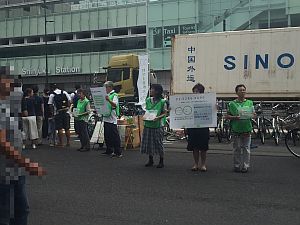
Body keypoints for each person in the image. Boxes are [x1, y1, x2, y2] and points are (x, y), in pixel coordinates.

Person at [0, 70, 46, 225]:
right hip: (4, 172)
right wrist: (27, 164)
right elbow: (3, 143)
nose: (12, 86)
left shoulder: (7, 106)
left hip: (15, 170)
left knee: (20, 211)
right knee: (8, 214)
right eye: (8, 82)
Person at [226, 84, 255, 173]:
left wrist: (253, 115)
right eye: (240, 90)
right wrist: (235, 117)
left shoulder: (250, 102)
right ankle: (237, 165)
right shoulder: (232, 104)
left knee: (246, 148)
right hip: (236, 129)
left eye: (244, 90)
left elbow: (254, 114)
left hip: (247, 128)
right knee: (236, 148)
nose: (242, 91)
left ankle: (245, 166)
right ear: (236, 92)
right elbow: (227, 116)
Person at [141, 84, 167, 168]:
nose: (151, 90)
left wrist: (158, 118)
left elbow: (165, 113)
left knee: (158, 143)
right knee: (149, 143)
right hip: (148, 124)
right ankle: (150, 159)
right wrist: (144, 116)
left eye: (152, 89)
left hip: (157, 125)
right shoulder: (148, 100)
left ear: (157, 91)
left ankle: (161, 161)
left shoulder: (163, 102)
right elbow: (146, 110)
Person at [186, 83, 210, 172]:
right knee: (194, 147)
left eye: (198, 91)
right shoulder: (189, 101)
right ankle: (195, 164)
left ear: (202, 92)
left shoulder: (207, 101)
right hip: (192, 126)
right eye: (194, 91)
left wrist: (215, 108)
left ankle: (203, 164)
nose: (195, 93)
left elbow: (212, 111)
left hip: (203, 126)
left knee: (203, 147)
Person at [101, 81, 122, 158]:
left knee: (114, 136)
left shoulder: (114, 95)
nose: (104, 89)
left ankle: (118, 152)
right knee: (107, 135)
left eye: (105, 87)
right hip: (106, 117)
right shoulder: (106, 95)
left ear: (109, 87)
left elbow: (115, 105)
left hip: (112, 118)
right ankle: (109, 150)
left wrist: (109, 100)